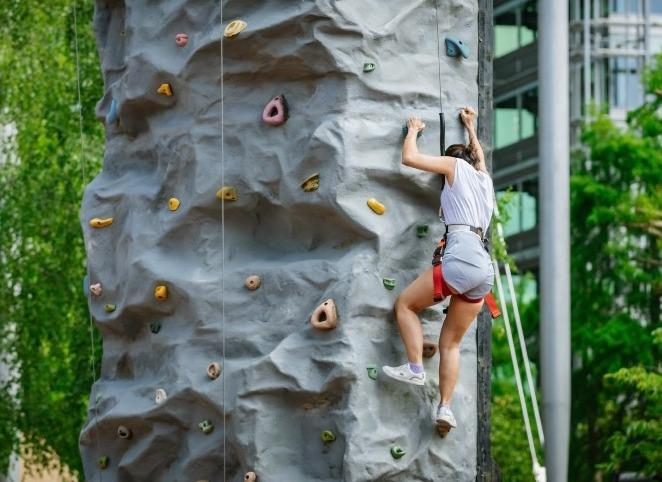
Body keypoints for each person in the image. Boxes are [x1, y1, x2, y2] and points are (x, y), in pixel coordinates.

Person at [382, 107, 495, 437]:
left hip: (459, 260)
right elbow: (480, 156)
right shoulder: (484, 180)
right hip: (483, 272)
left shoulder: (453, 166)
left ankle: (415, 366)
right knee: (451, 344)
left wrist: (413, 130)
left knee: (405, 305)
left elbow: (410, 158)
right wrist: (471, 127)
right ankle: (445, 407)